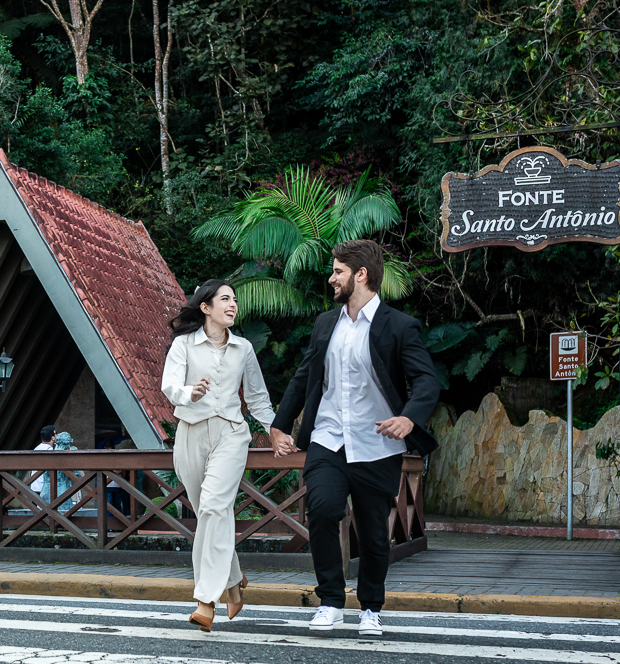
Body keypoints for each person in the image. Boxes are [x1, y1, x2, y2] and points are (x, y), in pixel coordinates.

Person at [269, 239, 439, 637]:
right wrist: (280, 424)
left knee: (374, 530)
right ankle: (330, 600)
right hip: (328, 439)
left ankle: (370, 608)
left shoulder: (399, 326)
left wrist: (408, 419)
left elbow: (426, 381)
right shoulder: (325, 324)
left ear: (360, 274)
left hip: (377, 443)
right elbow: (304, 377)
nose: (331, 278)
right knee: (324, 509)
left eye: (338, 271)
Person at [161, 279, 275, 632]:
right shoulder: (183, 345)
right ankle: (234, 581)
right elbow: (169, 385)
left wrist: (276, 430)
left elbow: (257, 398)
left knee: (212, 506)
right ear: (205, 307)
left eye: (235, 300)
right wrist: (189, 393)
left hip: (231, 433)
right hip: (191, 433)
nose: (232, 304)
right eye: (224, 299)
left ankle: (205, 599)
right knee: (213, 513)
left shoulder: (244, 349)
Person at [30, 425, 56, 497]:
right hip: (45, 488)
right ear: (52, 437)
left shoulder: (36, 448)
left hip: (35, 487)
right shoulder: (49, 451)